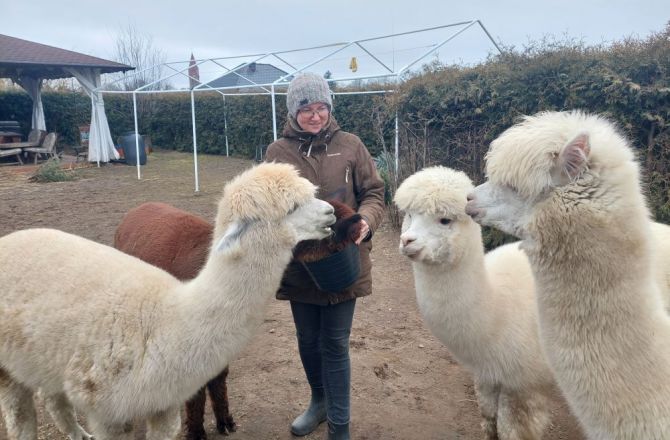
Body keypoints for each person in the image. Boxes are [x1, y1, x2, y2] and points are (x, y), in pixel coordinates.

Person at [264, 72, 385, 440]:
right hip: (301, 265)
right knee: (307, 339)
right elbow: (267, 203)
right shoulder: (277, 153)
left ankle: (340, 426)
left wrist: (366, 220)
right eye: (306, 109)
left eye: (320, 108)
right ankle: (318, 403)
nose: (314, 116)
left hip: (344, 258)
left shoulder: (350, 145)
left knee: (334, 342)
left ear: (329, 108)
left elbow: (375, 192)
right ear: (293, 111)